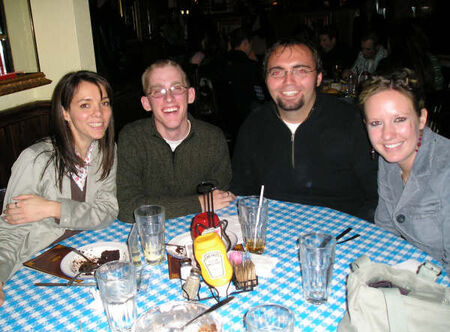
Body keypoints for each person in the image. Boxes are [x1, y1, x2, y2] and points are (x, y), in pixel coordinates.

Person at [0, 71, 118, 306]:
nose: (99, 113)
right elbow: (8, 234)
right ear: (65, 112)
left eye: (104, 103)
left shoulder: (106, 150)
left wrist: (52, 208)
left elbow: (106, 212)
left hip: (86, 252)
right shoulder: (35, 160)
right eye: (85, 105)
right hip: (37, 263)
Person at [231, 39, 378, 222]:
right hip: (274, 232)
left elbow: (376, 196)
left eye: (300, 71)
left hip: (342, 233)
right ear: (266, 79)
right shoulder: (254, 125)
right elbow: (241, 192)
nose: (288, 82)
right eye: (277, 72)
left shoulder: (352, 122)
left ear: (318, 78)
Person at [116, 59, 234, 223]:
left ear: (190, 95)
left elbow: (222, 202)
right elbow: (128, 208)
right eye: (158, 92)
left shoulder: (213, 138)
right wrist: (199, 202)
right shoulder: (132, 138)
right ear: (146, 103)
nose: (169, 98)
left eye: (176, 88)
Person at [360, 69, 450, 275]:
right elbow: (385, 231)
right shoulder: (390, 160)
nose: (388, 135)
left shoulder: (445, 170)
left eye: (399, 119)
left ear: (421, 119)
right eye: (376, 123)